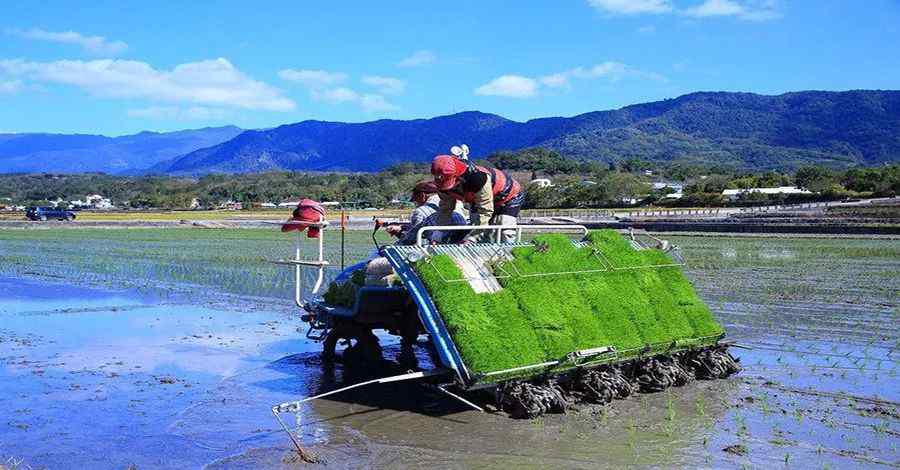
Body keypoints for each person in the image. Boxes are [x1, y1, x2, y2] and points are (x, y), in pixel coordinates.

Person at [431, 154, 525, 243]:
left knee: (504, 229)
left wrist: (472, 238)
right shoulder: (440, 184)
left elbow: (485, 210)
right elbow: (445, 209)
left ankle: (508, 256)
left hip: (508, 196)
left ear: (457, 175)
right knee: (479, 231)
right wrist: (438, 234)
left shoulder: (477, 179)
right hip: (476, 200)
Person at [385, 180, 467, 245]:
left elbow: (410, 239)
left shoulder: (420, 211)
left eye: (415, 199)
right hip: (463, 242)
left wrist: (391, 247)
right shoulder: (457, 202)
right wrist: (402, 228)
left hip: (442, 245)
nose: (415, 203)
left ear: (422, 195)